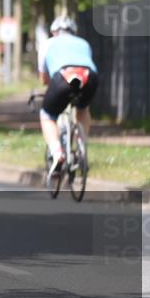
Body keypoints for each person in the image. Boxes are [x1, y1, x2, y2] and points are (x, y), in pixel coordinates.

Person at [37, 15, 98, 182]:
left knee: (47, 115)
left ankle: (58, 154)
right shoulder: (83, 43)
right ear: (73, 32)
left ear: (54, 32)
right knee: (83, 108)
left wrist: (52, 91)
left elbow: (44, 78)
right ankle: (82, 145)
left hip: (63, 77)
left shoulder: (48, 44)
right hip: (90, 77)